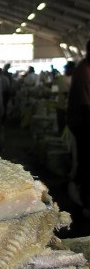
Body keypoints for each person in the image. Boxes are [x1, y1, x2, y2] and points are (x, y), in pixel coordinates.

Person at [67, 42, 90, 209]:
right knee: (86, 161)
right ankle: (82, 198)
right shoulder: (83, 72)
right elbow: (85, 105)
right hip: (82, 124)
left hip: (82, 122)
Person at [55, 61, 75, 134]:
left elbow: (55, 91)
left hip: (66, 106)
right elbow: (64, 93)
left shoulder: (69, 78)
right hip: (63, 106)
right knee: (63, 126)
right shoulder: (62, 79)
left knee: (65, 127)